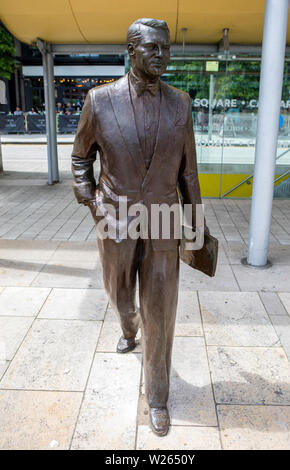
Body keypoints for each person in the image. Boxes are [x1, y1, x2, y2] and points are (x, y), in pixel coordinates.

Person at [71, 18, 208, 437]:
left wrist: (197, 228)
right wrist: (95, 205)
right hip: (115, 218)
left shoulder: (181, 103)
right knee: (121, 297)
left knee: (161, 311)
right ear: (131, 50)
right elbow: (81, 160)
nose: (162, 55)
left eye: (166, 48)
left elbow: (189, 174)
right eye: (153, 48)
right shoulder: (99, 100)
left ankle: (158, 397)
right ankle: (128, 327)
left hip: (165, 221)